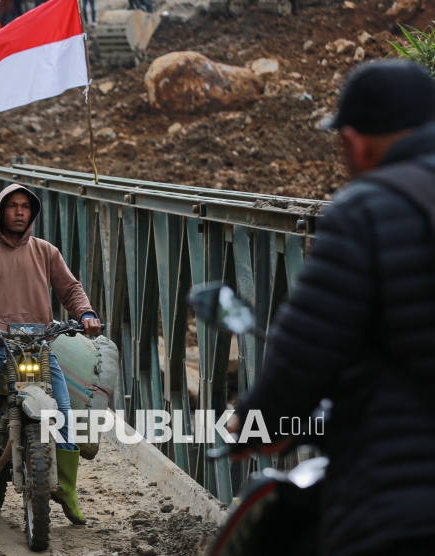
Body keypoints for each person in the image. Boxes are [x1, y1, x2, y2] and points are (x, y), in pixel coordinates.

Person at [226, 61, 435, 556]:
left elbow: (306, 354)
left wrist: (258, 420)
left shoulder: (368, 208)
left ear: (357, 141)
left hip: (398, 501)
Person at [0, 184, 102, 529]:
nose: (19, 211)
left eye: (25, 206)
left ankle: (67, 489)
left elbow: (70, 289)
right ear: (0, 211)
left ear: (32, 212)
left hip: (39, 347)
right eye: (12, 206)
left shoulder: (46, 251)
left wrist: (85, 314)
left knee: (65, 413)